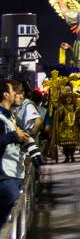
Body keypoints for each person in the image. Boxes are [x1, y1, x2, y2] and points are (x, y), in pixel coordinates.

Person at [0, 78, 31, 221]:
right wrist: (13, 136)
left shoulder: (9, 116)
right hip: (5, 178)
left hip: (14, 174)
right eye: (14, 91)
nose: (18, 95)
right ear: (6, 94)